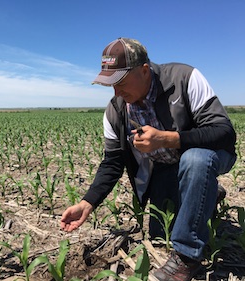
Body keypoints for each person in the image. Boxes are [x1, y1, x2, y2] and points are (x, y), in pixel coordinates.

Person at [60, 37, 237, 281]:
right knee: (159, 234)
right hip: (165, 167)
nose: (116, 91)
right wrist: (87, 203)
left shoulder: (184, 78)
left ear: (144, 71)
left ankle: (187, 257)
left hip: (208, 155)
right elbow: (112, 163)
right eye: (110, 84)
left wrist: (168, 139)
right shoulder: (115, 111)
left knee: (196, 160)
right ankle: (208, 193)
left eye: (120, 81)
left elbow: (224, 132)